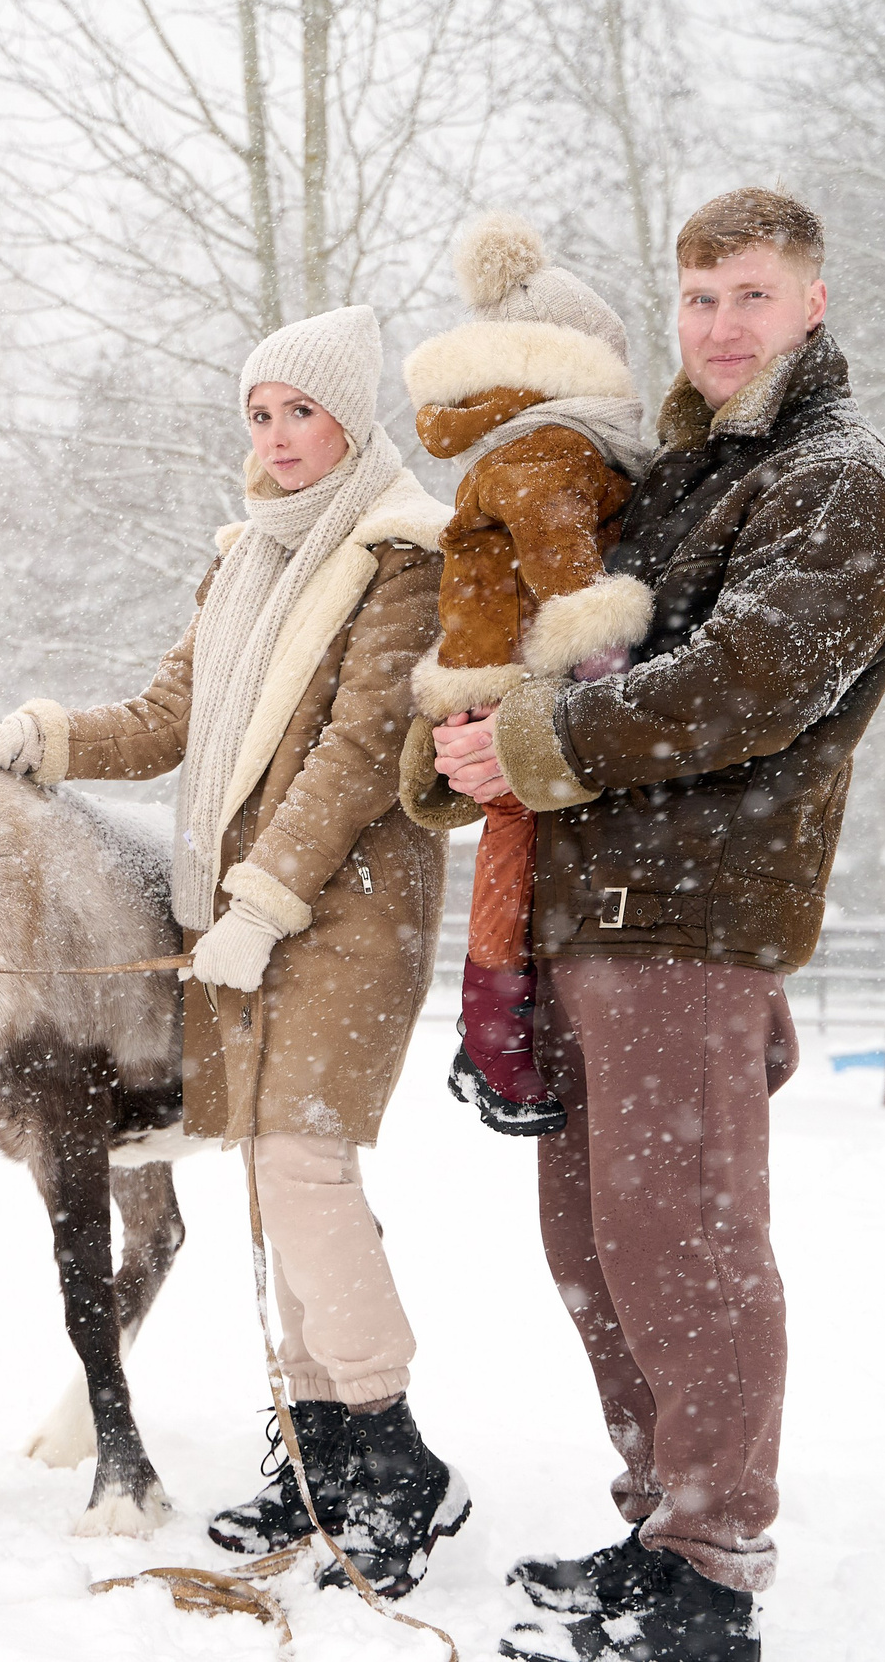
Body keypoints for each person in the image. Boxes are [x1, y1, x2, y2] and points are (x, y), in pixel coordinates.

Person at [401, 189, 885, 1662]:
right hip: (590, 905)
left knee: (683, 1237)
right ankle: (656, 1519)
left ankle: (713, 1559)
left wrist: (544, 740)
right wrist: (477, 736)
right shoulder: (680, 474)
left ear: (813, 300)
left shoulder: (834, 480)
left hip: (695, 912)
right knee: (594, 1236)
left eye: (751, 295)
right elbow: (565, 638)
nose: (720, 326)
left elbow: (749, 679)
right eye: (698, 300)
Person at [0, 304, 467, 1599]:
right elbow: (170, 715)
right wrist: (33, 739)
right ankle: (320, 1446)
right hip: (241, 919)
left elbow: (358, 749)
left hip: (343, 915)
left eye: (300, 412)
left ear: (350, 418)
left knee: (301, 1167)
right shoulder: (243, 559)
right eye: (260, 415)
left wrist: (265, 897)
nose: (275, 437)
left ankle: (392, 1454)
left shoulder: (400, 557)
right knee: (277, 1181)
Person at [398, 210, 657, 1140]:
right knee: (521, 843)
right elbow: (559, 553)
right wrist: (608, 659)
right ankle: (498, 1032)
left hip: (491, 668)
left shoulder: (518, 444)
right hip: (520, 676)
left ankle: (502, 1021)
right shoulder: (552, 448)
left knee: (522, 849)